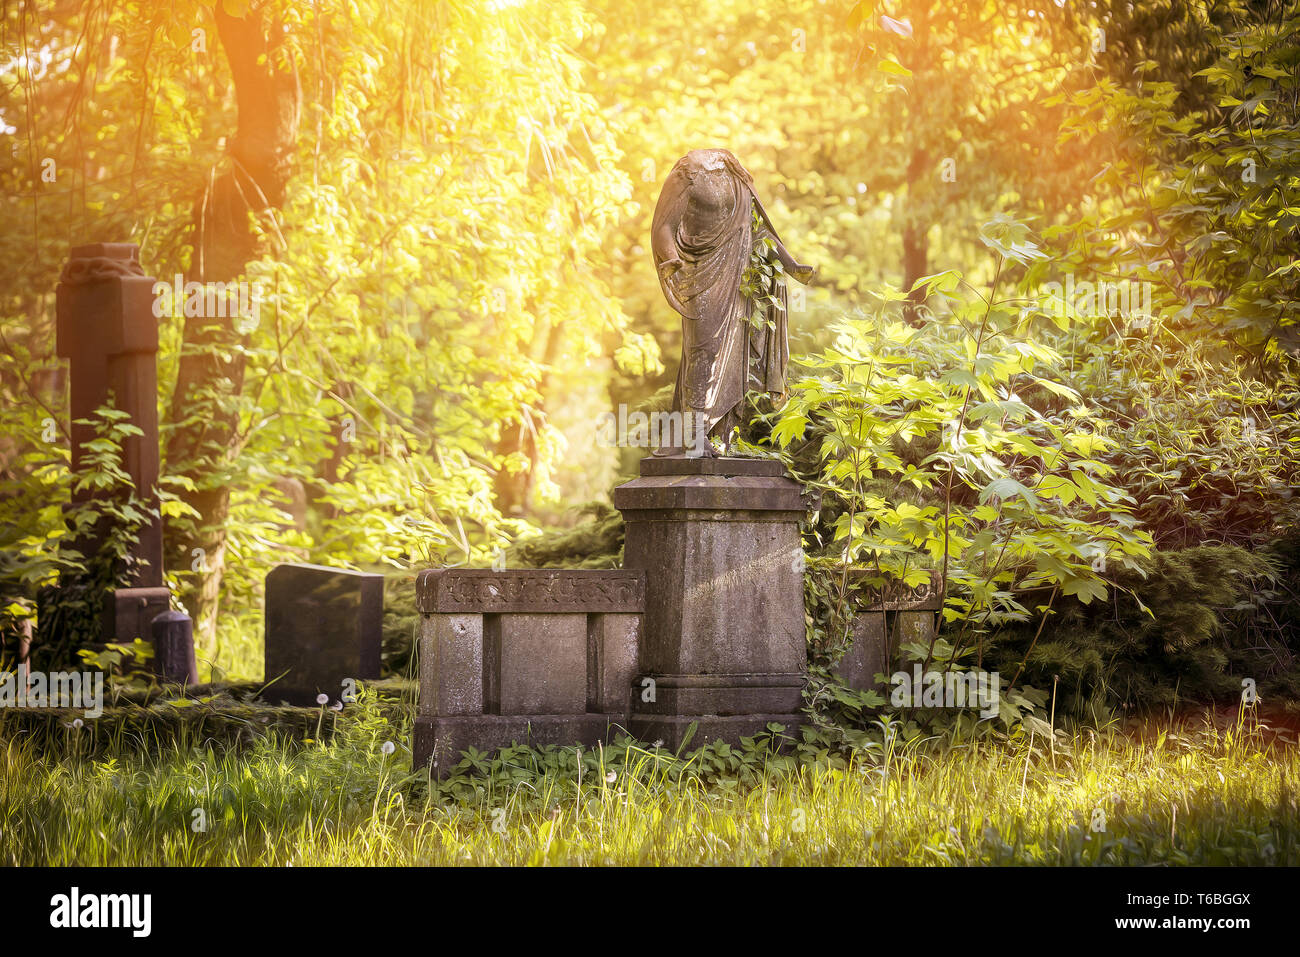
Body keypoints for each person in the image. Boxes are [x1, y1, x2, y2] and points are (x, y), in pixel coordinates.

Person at [650, 149, 814, 456]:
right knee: (704, 349)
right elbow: (663, 227)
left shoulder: (738, 178)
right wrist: (671, 259)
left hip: (740, 279)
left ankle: (723, 438)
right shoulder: (686, 174)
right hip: (702, 276)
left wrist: (791, 265)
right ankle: (695, 436)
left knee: (738, 356)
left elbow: (758, 231)